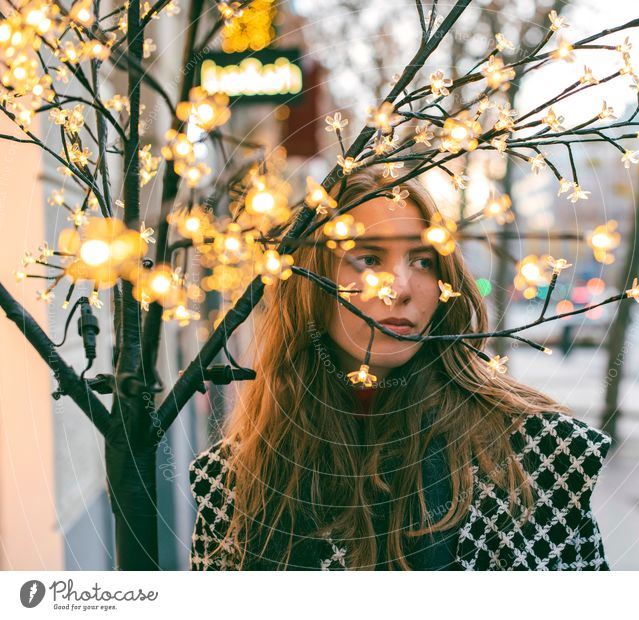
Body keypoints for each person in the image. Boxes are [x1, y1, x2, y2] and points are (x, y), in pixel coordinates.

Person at [189, 167, 612, 570]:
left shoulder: (540, 457)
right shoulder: (233, 486)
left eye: (423, 261)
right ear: (308, 280)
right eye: (369, 259)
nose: (401, 288)